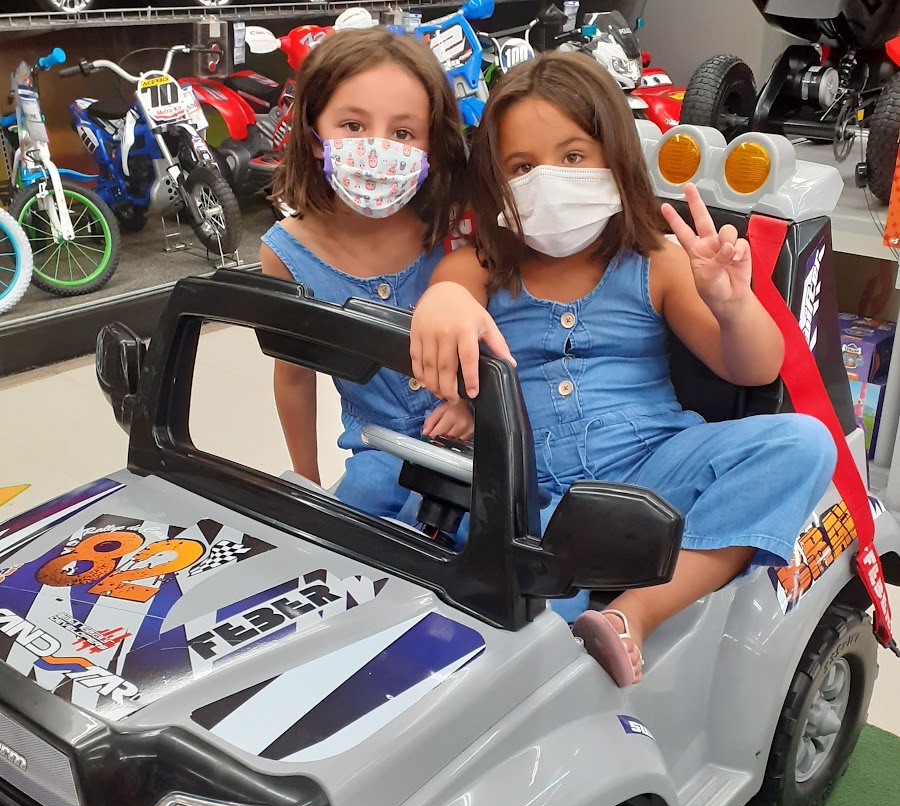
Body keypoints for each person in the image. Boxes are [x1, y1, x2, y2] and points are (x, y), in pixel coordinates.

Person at [409, 52, 837, 687]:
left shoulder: (658, 261)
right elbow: (444, 318)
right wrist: (445, 307)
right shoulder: (477, 268)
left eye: (573, 156)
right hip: (534, 494)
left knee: (803, 443)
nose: (549, 181)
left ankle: (637, 613)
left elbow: (753, 368)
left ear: (614, 157)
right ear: (496, 182)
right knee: (523, 640)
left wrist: (732, 304)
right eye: (522, 167)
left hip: (654, 470)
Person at [261, 28, 472, 520]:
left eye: (403, 133)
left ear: (431, 146)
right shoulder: (286, 254)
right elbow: (293, 376)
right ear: (314, 136)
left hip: (477, 442)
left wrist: (471, 407)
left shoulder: (454, 227)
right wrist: (307, 483)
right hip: (376, 452)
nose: (377, 149)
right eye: (353, 125)